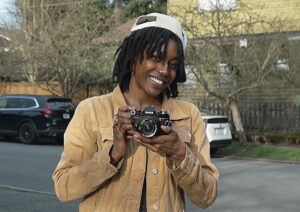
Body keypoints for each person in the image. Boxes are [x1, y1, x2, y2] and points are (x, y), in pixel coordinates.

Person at [52, 13, 219, 212]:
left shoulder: (188, 115)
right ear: (133, 56)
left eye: (172, 64)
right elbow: (64, 187)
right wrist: (113, 155)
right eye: (155, 58)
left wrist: (179, 152)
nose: (165, 70)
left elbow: (206, 197)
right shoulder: (92, 110)